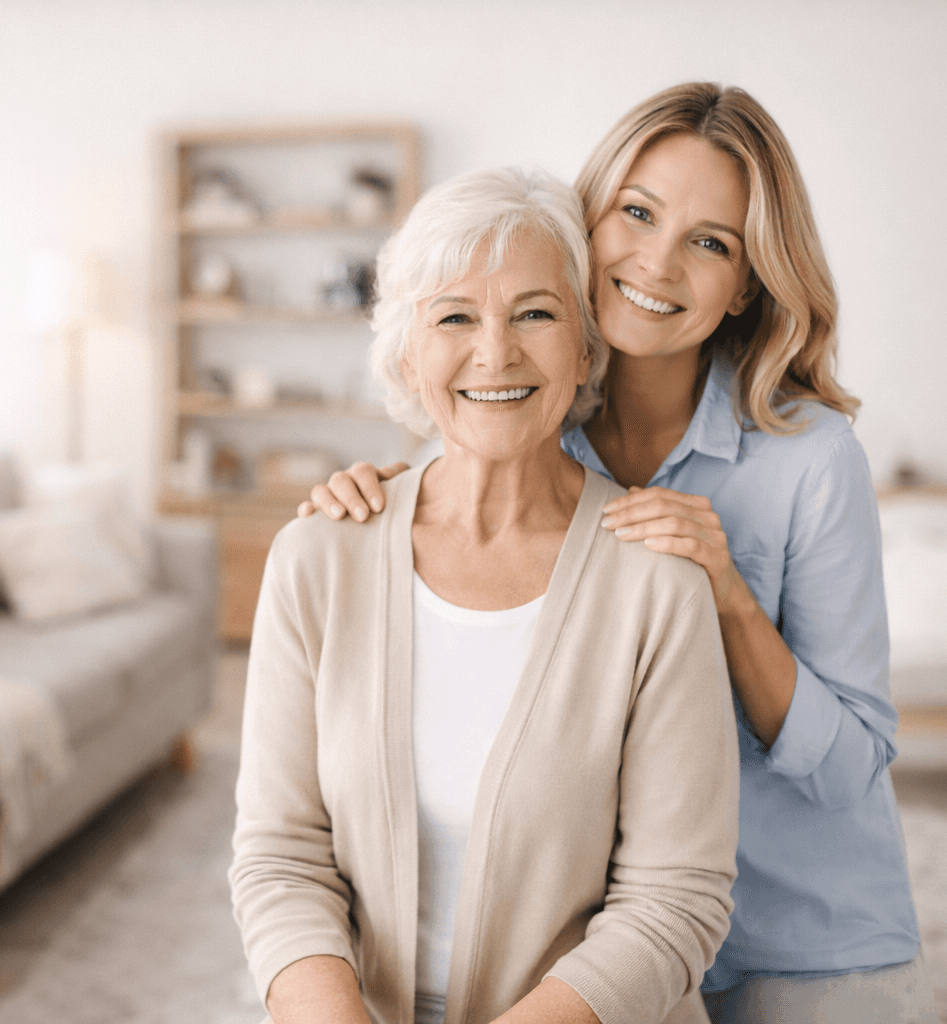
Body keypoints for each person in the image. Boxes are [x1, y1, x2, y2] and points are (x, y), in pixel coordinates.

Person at [299, 83, 935, 1023]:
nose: (656, 263)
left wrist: (726, 594)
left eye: (710, 242)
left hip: (795, 938)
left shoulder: (811, 459)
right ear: (585, 224)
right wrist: (369, 496)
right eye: (635, 214)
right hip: (602, 948)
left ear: (748, 282)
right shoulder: (526, 425)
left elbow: (850, 769)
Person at [231, 165, 739, 1024]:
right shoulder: (317, 558)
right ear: (406, 352)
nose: (494, 352)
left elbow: (675, 901)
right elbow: (280, 857)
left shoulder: (658, 578)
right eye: (455, 317)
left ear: (585, 346)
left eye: (535, 313)